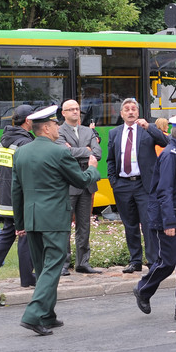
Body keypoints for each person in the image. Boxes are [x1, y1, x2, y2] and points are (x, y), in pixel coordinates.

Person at [13, 105, 100, 336]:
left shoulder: (21, 152)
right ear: (48, 128)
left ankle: (47, 315)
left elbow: (16, 191)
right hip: (54, 218)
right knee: (53, 265)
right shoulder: (59, 152)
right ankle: (33, 314)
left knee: (42, 268)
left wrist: (19, 224)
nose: (58, 130)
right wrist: (92, 169)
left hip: (32, 218)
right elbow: (81, 181)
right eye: (55, 126)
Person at [134, 113, 176, 321]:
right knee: (167, 262)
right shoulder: (171, 155)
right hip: (170, 219)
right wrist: (169, 221)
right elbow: (164, 191)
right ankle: (143, 290)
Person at [106, 98, 168, 273]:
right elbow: (110, 159)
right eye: (127, 109)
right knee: (130, 225)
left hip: (143, 185)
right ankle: (135, 261)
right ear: (122, 114)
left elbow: (165, 142)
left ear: (138, 113)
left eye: (134, 109)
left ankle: (153, 261)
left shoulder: (148, 130)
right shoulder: (114, 133)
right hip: (122, 185)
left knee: (148, 224)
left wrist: (149, 127)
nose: (131, 112)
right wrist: (113, 182)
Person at [0, 105, 37, 288]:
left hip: (5, 194)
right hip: (19, 197)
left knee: (7, 233)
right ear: (28, 121)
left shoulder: (5, 139)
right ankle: (27, 278)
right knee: (26, 235)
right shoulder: (24, 143)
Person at [56, 99, 102, 275]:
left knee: (84, 226)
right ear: (64, 113)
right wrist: (87, 150)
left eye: (77, 109)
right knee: (64, 225)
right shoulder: (59, 131)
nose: (75, 111)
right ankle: (63, 264)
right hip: (68, 185)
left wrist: (79, 151)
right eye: (71, 109)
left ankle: (83, 262)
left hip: (87, 185)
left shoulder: (87, 131)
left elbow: (97, 153)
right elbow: (63, 153)